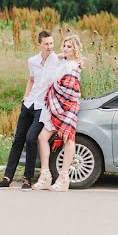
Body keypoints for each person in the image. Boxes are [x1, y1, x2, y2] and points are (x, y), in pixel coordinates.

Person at [0, 31, 58, 191]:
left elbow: (72, 62)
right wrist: (25, 96)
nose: (50, 47)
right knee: (18, 140)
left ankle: (27, 178)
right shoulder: (32, 61)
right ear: (39, 44)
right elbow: (31, 80)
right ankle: (7, 178)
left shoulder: (57, 60)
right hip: (29, 104)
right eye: (46, 44)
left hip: (43, 107)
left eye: (51, 43)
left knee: (30, 138)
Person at [33, 34, 83, 192]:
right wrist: (62, 56)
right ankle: (46, 175)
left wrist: (53, 87)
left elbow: (70, 89)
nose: (66, 49)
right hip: (53, 106)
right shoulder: (63, 62)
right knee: (42, 137)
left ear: (75, 49)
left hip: (66, 106)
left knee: (68, 139)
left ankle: (63, 178)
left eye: (69, 46)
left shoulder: (73, 66)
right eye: (64, 46)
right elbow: (57, 67)